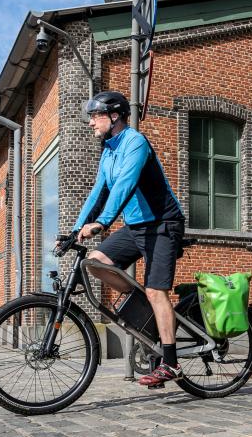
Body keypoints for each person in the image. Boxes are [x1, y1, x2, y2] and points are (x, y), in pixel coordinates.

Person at [73, 90, 186, 388]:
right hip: (136, 227)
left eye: (94, 117)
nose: (91, 124)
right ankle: (149, 313)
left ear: (114, 116)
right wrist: (75, 229)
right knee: (95, 263)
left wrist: (102, 222)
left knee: (155, 289)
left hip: (163, 223)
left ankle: (171, 363)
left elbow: (125, 184)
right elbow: (100, 191)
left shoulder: (135, 142)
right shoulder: (108, 151)